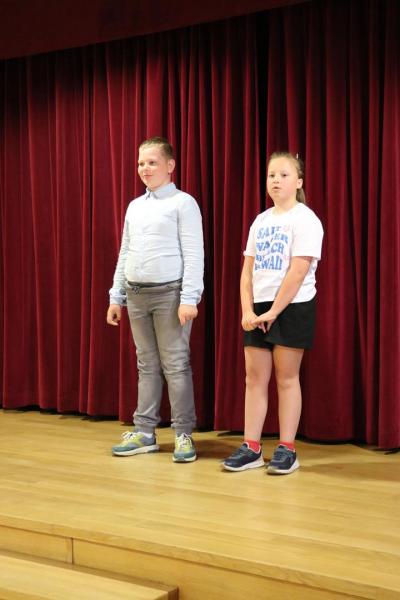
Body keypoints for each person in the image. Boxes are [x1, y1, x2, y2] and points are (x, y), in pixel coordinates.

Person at [223, 151, 323, 475]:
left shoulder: (306, 219)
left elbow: (298, 271)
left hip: (293, 306)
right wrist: (248, 310)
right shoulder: (261, 221)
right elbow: (247, 272)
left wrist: (274, 312)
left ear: (299, 182)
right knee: (254, 378)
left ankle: (287, 449)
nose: (276, 181)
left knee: (286, 378)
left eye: (283, 175)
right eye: (271, 175)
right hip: (260, 308)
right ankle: (251, 447)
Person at [107, 137, 204, 462]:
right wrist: (116, 295)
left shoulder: (182, 203)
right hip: (136, 295)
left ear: (170, 165)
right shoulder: (135, 206)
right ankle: (145, 433)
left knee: (175, 364)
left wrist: (189, 298)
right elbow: (125, 252)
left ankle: (183, 435)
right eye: (140, 163)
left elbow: (194, 254)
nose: (144, 169)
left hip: (170, 295)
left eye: (152, 162)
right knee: (146, 364)